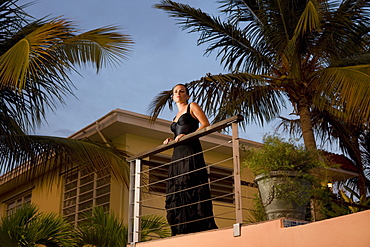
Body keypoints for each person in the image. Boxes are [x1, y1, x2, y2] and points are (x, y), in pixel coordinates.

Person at [163, 84, 218, 236]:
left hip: (190, 150)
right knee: (177, 187)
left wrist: (187, 136)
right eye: (175, 92)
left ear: (187, 95)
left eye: (182, 91)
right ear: (173, 97)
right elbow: (178, 133)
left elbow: (206, 125)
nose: (179, 93)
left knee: (191, 183)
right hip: (177, 154)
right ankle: (181, 228)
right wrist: (171, 139)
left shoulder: (191, 106)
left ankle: (197, 225)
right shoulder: (175, 116)